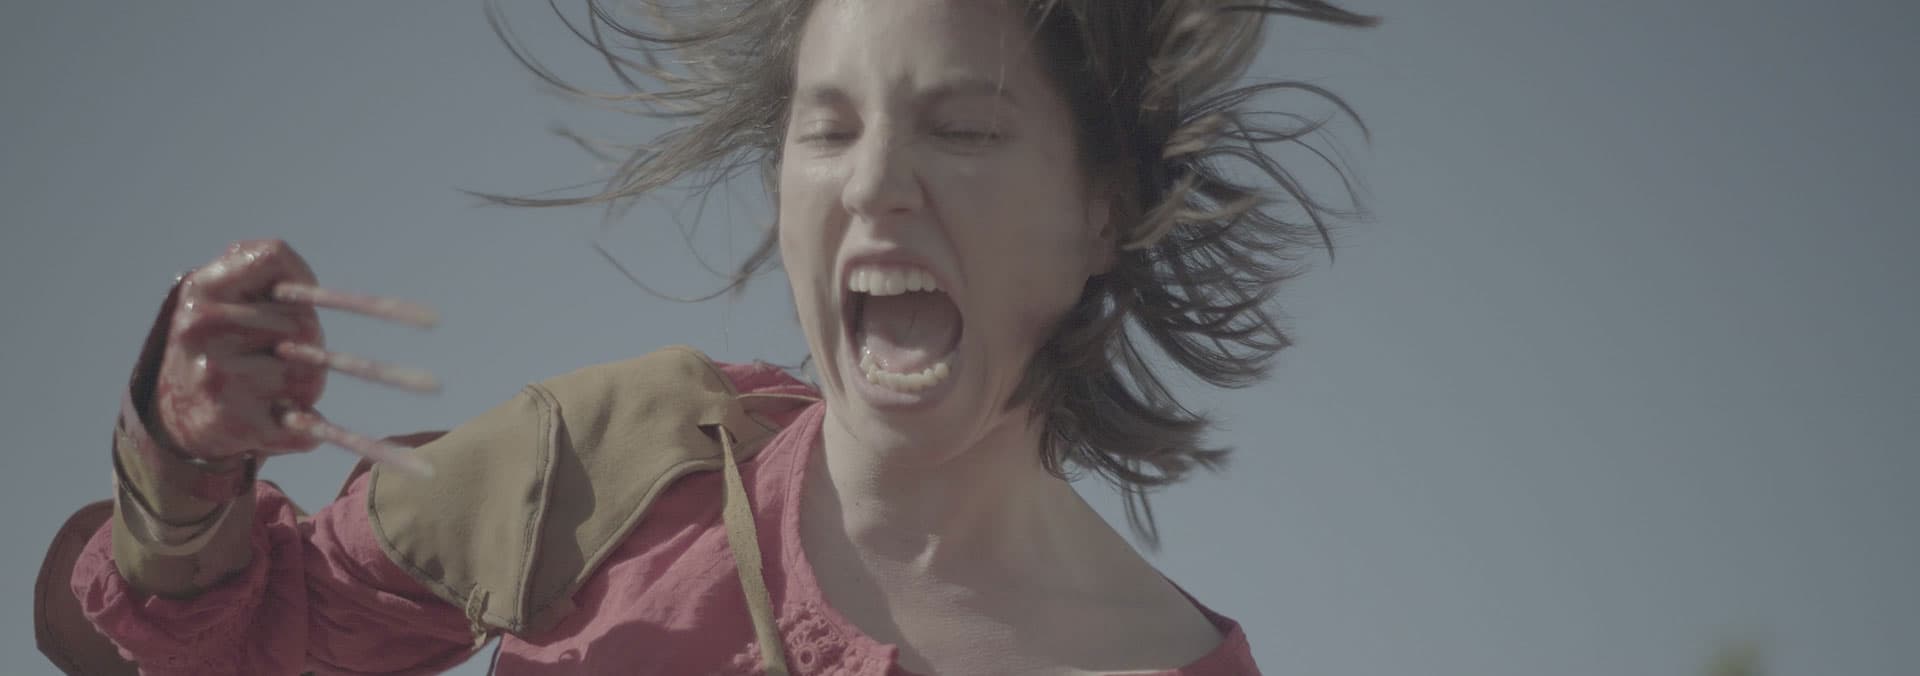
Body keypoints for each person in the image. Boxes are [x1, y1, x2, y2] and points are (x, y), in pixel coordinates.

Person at [52, 0, 1377, 673]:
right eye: (827, 130)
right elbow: (218, 643)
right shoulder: (610, 465)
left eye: (965, 128)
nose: (876, 184)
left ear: (1102, 212)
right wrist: (185, 459)